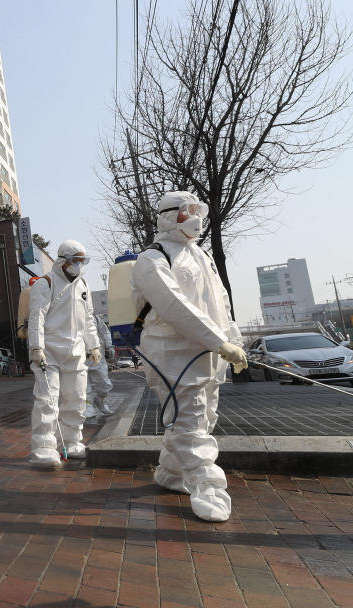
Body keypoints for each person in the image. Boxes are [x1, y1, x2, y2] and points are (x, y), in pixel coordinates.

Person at [131, 191, 246, 522]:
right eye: (186, 212)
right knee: (190, 422)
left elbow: (221, 303)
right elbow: (173, 305)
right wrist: (218, 341)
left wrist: (231, 341)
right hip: (173, 353)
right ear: (168, 216)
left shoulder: (203, 256)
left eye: (198, 211)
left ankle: (171, 473)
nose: (195, 217)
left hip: (208, 352)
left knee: (202, 418)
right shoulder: (152, 259)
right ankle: (207, 489)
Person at [26, 240, 100, 467]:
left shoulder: (83, 286)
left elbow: (88, 319)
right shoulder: (45, 284)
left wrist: (93, 345)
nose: (78, 265)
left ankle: (73, 441)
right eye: (74, 260)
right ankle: (43, 448)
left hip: (76, 352)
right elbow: (36, 316)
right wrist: (36, 347)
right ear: (62, 260)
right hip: (50, 352)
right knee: (47, 401)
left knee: (76, 399)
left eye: (82, 260)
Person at [87, 315, 115, 415]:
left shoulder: (94, 318)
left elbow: (105, 332)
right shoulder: (68, 316)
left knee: (104, 384)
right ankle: (87, 407)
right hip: (79, 357)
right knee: (83, 386)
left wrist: (109, 345)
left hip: (98, 356)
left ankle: (100, 401)